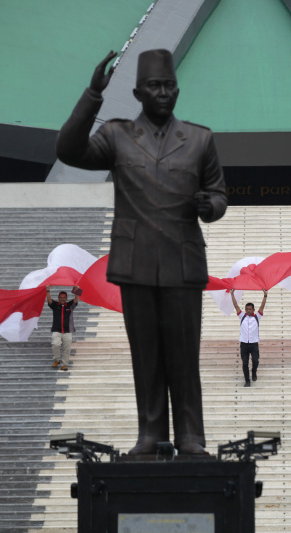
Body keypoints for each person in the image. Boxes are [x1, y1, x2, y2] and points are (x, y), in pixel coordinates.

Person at [56, 49, 227, 455]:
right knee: (145, 355)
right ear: (137, 92)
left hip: (182, 262)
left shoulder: (200, 139)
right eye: (154, 86)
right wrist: (93, 95)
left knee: (184, 355)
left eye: (169, 86)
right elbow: (68, 150)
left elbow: (219, 193)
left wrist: (210, 206)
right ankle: (150, 433)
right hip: (136, 264)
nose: (163, 93)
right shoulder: (117, 136)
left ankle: (190, 435)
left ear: (178, 91)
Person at [230, 288, 267, 387]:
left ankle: (254, 371)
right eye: (246, 309)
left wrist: (265, 296)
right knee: (245, 363)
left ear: (253, 310)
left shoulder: (257, 316)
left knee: (255, 360)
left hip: (254, 344)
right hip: (244, 344)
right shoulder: (242, 316)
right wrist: (232, 294)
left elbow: (262, 306)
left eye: (250, 309)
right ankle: (247, 381)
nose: (248, 311)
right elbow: (236, 305)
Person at [46, 285, 80, 371]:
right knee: (55, 344)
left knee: (67, 348)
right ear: (58, 298)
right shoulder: (55, 305)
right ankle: (57, 360)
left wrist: (78, 290)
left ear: (66, 298)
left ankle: (64, 365)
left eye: (64, 297)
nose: (62, 299)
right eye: (60, 297)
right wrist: (48, 291)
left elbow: (76, 299)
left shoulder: (70, 305)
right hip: (56, 330)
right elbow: (49, 300)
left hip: (67, 331)